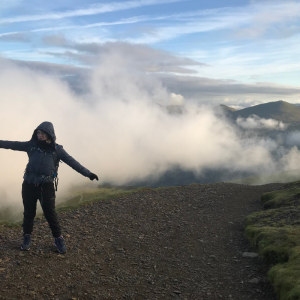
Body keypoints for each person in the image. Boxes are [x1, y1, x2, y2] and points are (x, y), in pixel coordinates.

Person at [0, 122, 98, 254]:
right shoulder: (31, 145)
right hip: (28, 184)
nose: (40, 135)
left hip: (46, 186)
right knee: (29, 213)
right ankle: (27, 237)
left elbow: (73, 162)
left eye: (42, 133)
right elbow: (12, 144)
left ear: (49, 134)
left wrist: (89, 174)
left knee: (50, 213)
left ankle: (58, 239)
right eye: (38, 133)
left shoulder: (57, 150)